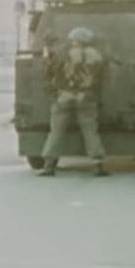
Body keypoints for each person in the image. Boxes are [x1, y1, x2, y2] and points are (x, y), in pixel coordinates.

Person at [38, 27, 107, 177]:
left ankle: (49, 165)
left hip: (63, 97)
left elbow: (48, 71)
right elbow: (100, 79)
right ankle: (97, 164)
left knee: (56, 131)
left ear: (73, 39)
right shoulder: (96, 56)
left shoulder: (62, 54)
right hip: (86, 98)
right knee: (90, 131)